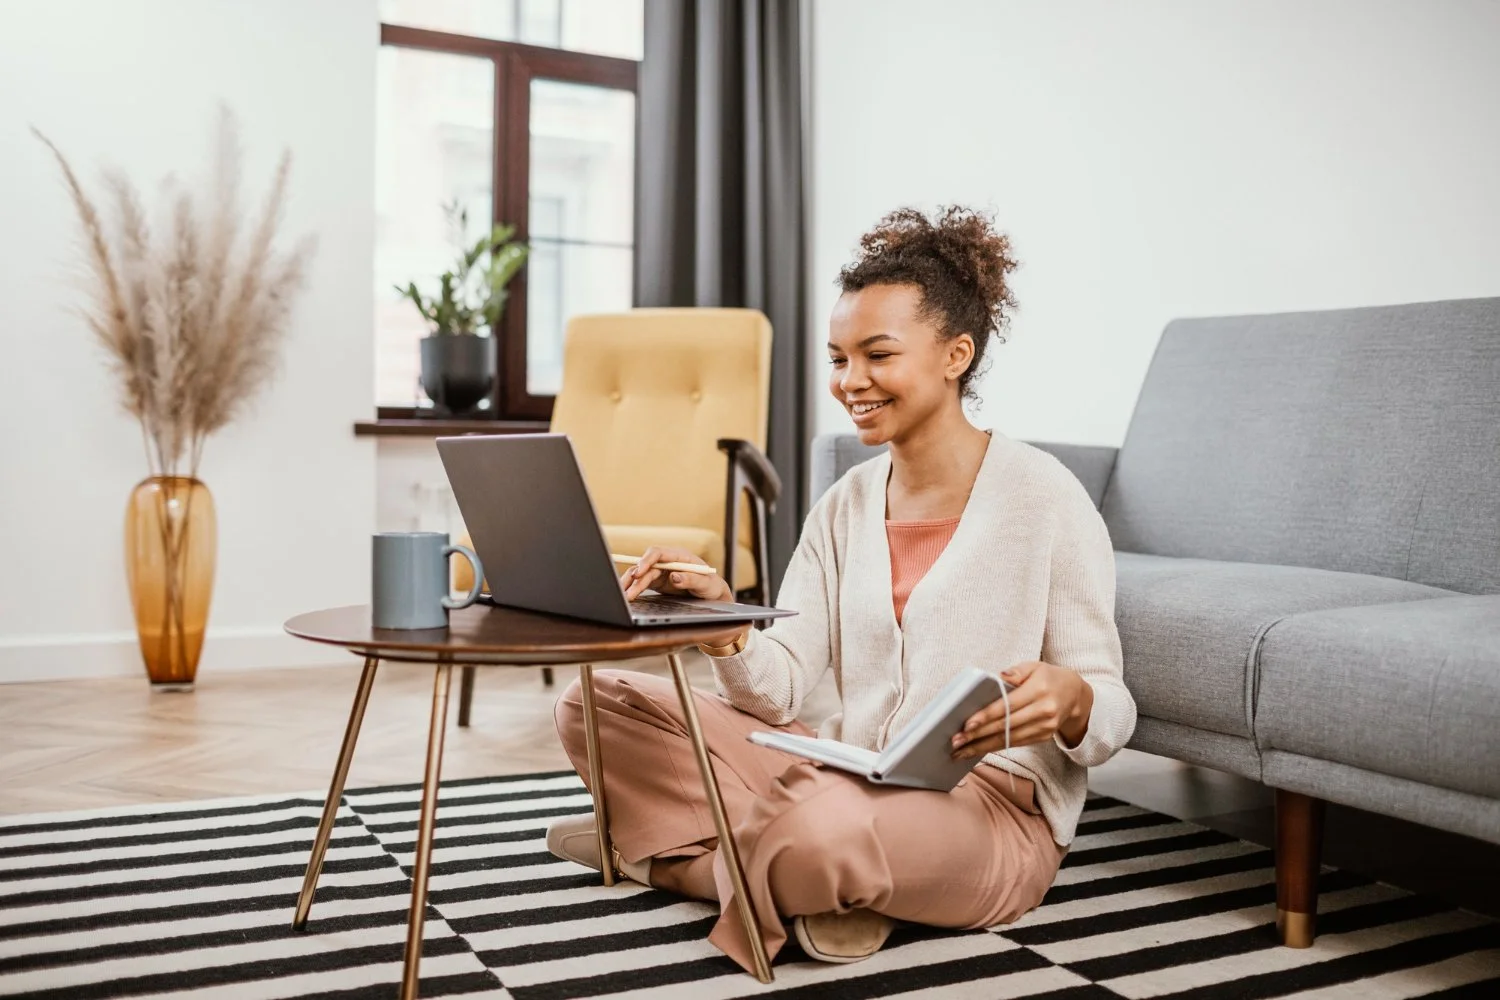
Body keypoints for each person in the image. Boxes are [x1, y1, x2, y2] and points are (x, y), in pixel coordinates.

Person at [547, 205, 1137, 972]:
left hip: (989, 813)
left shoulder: (1045, 498)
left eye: (877, 355)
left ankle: (667, 859)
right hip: (842, 770)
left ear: (956, 354)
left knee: (819, 827)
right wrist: (725, 626)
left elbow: (1112, 707)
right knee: (594, 705)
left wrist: (1073, 701)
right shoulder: (846, 504)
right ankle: (798, 883)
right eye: (838, 359)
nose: (849, 382)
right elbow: (780, 691)